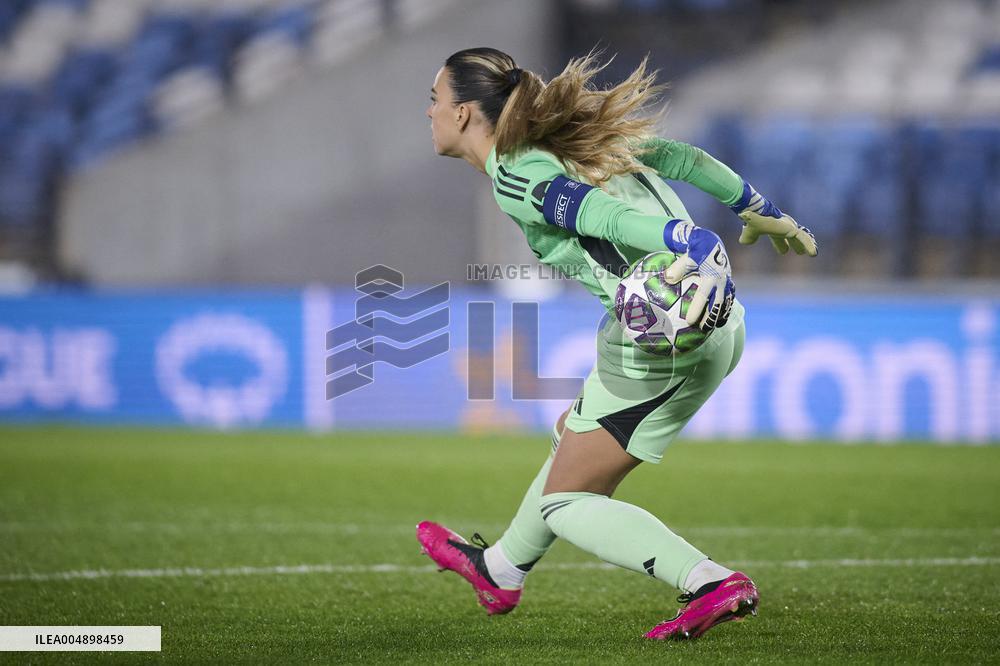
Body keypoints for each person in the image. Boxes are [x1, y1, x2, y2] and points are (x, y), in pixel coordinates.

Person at [416, 47, 816, 641]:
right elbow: (683, 157)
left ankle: (708, 581)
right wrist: (757, 207)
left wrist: (680, 235)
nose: (429, 113)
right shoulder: (571, 133)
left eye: (434, 100)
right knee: (572, 434)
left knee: (566, 503)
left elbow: (593, 213)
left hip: (660, 340)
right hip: (713, 316)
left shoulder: (514, 172)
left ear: (466, 113)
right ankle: (498, 569)